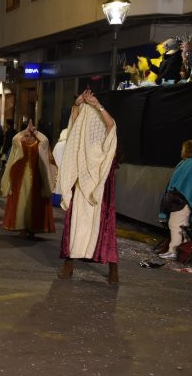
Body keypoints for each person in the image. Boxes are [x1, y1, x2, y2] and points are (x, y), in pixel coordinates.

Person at [57, 90, 118, 283]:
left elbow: (111, 125)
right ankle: (69, 263)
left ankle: (113, 269)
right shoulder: (81, 142)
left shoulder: (105, 140)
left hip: (100, 188)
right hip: (81, 185)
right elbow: (74, 126)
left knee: (104, 227)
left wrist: (97, 105)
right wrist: (77, 105)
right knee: (75, 224)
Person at [0, 120, 56, 238]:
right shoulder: (20, 144)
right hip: (20, 179)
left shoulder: (39, 145)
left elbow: (45, 141)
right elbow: (15, 139)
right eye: (26, 135)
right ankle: (22, 227)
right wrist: (24, 132)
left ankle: (32, 228)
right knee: (21, 202)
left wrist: (36, 132)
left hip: (36, 179)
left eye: (30, 135)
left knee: (34, 202)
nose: (27, 137)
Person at [158, 140, 192, 260]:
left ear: (188, 149)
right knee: (182, 226)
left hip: (183, 201)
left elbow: (185, 185)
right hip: (183, 200)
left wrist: (175, 190)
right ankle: (183, 251)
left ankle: (174, 251)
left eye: (183, 148)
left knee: (174, 224)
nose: (182, 151)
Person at [51, 128, 68, 206]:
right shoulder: (68, 144)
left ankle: (56, 202)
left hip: (58, 167)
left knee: (57, 186)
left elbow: (53, 156)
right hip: (66, 168)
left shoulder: (58, 144)